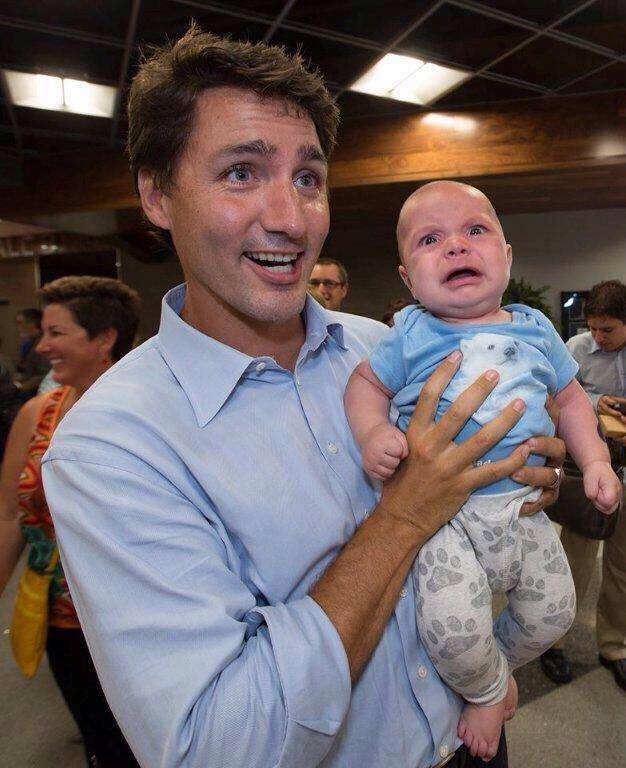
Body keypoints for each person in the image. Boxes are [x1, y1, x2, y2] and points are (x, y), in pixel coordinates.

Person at [42, 29, 566, 768]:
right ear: (158, 194)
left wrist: (521, 469)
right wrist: (408, 512)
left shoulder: (383, 348)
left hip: (475, 745)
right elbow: (220, 746)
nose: (290, 217)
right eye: (241, 173)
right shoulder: (112, 447)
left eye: (309, 179)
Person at [344, 181, 621, 759]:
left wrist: (593, 459)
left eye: (475, 231)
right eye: (430, 239)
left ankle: (493, 669)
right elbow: (366, 384)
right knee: (450, 628)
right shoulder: (411, 332)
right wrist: (373, 431)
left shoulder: (535, 327)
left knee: (554, 614)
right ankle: (488, 687)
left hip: (522, 506)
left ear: (507, 253)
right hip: (442, 515)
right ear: (406, 276)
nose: (456, 246)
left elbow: (570, 400)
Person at [0, 276, 141, 768]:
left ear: (103, 339)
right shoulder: (38, 413)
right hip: (63, 618)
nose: (42, 346)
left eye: (57, 333)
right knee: (100, 740)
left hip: (140, 620)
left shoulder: (150, 409)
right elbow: (10, 514)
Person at [541, 279, 626, 690]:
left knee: (621, 567)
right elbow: (561, 400)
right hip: (589, 470)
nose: (598, 336)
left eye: (607, 329)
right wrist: (597, 403)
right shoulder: (574, 349)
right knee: (573, 560)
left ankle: (614, 647)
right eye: (593, 327)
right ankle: (551, 642)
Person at [14, 308, 50, 398]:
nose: (18, 328)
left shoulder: (44, 344)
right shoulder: (28, 343)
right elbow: (23, 368)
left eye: (20, 323)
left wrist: (22, 386)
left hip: (42, 393)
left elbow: (47, 374)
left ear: (33, 323)